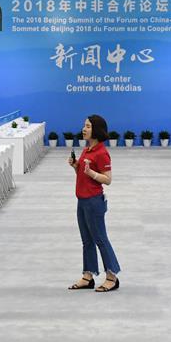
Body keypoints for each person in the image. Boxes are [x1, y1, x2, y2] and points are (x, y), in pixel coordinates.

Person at [68, 114, 121, 293]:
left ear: (96, 130)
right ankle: (88, 276)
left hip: (94, 202)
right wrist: (76, 166)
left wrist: (91, 173)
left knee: (100, 239)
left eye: (88, 126)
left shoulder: (102, 153)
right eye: (84, 125)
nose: (84, 129)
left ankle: (112, 277)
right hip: (82, 200)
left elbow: (108, 179)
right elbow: (83, 174)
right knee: (87, 240)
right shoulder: (87, 150)